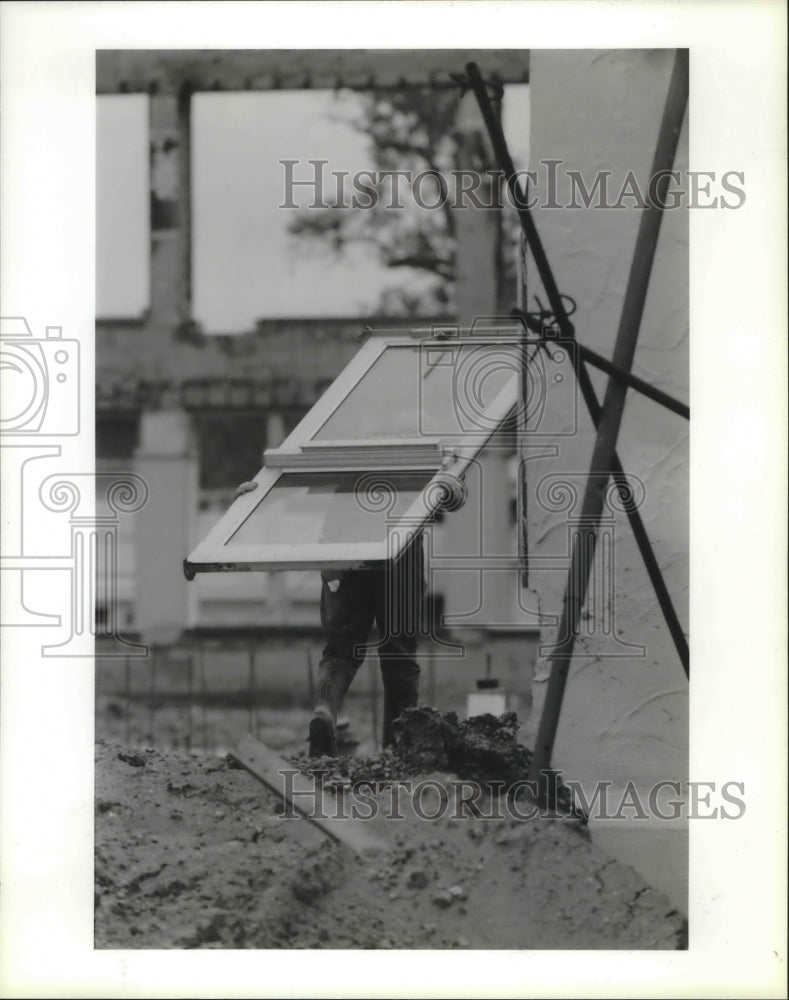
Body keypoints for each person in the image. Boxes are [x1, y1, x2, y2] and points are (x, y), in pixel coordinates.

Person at [234, 480, 425, 757]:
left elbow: (301, 469)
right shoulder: (418, 441)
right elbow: (450, 486)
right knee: (400, 653)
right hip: (401, 537)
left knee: (339, 650)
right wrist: (454, 486)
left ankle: (324, 710)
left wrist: (260, 492)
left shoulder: (345, 437)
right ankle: (398, 750)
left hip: (343, 533)